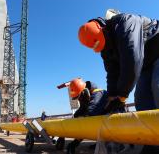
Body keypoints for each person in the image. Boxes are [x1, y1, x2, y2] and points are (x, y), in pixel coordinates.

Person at [78, 12, 159, 154]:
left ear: (103, 28)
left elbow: (132, 60)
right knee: (142, 100)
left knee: (157, 87)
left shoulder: (126, 22)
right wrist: (111, 97)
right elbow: (112, 74)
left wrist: (121, 95)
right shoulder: (105, 49)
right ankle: (153, 144)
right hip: (146, 65)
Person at [66, 78, 110, 154]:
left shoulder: (98, 94)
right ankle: (99, 142)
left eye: (79, 97)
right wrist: (75, 117)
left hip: (111, 120)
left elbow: (91, 113)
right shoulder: (86, 96)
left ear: (84, 92)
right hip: (101, 119)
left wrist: (77, 140)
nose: (79, 100)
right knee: (79, 116)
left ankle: (105, 143)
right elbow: (82, 110)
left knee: (88, 119)